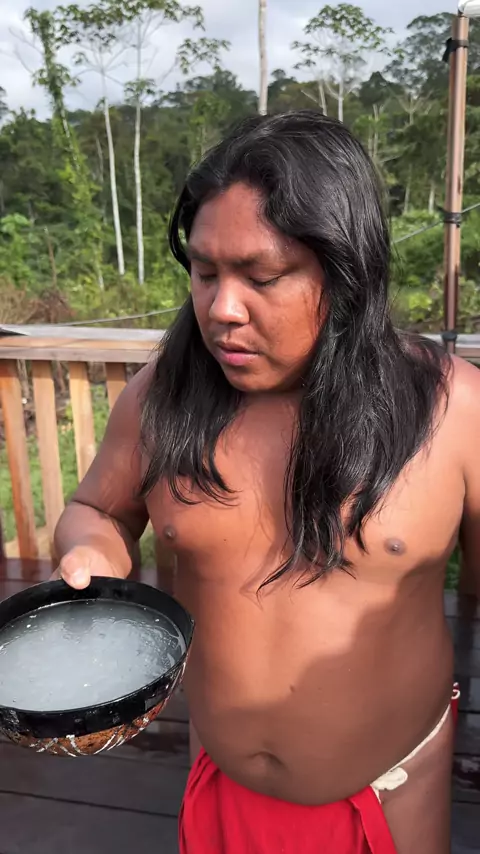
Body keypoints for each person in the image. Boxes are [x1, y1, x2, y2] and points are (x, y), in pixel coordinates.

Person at [55, 110, 480, 854]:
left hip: (392, 798)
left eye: (261, 277)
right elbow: (98, 508)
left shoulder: (455, 410)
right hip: (219, 789)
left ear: (345, 272)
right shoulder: (162, 399)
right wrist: (91, 551)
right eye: (204, 272)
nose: (222, 308)